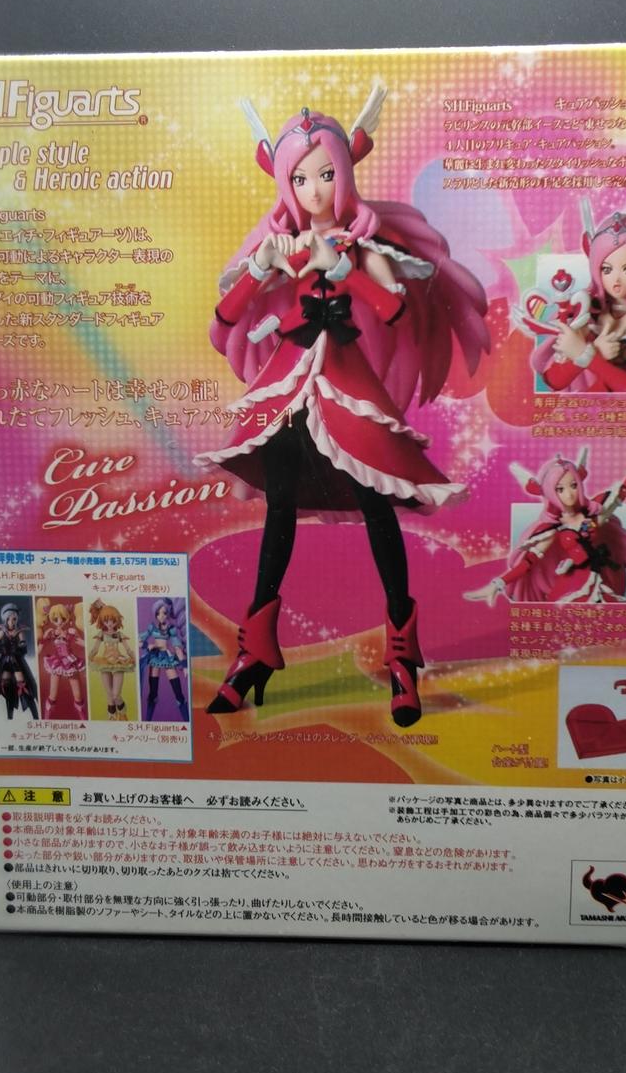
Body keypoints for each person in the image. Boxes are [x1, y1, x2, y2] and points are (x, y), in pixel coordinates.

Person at [194, 86, 489, 727]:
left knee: (376, 505)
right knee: (278, 507)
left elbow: (394, 309)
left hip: (346, 386)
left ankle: (403, 656)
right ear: (284, 183)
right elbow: (224, 320)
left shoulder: (361, 247)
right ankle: (256, 649)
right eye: (300, 178)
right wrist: (259, 268)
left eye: (325, 174)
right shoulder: (281, 246)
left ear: (345, 175)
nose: (314, 190)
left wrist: (344, 267)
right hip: (289, 385)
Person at [464, 422, 626, 606]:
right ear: (551, 492)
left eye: (573, 485)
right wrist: (497, 584)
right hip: (569, 587)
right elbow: (528, 562)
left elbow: (623, 492)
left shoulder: (593, 516)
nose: (569, 494)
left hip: (600, 582)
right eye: (560, 489)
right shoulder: (552, 529)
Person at [525, 198, 626, 393]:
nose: (616, 279)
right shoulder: (586, 312)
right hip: (584, 407)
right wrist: (593, 352)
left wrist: (587, 355)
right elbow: (554, 380)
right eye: (606, 269)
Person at [37, 599, 87, 719]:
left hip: (70, 661)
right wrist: (43, 640)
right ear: (51, 619)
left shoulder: (71, 631)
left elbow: (83, 643)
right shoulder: (51, 633)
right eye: (55, 619)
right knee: (52, 694)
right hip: (57, 662)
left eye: (63, 619)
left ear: (67, 618)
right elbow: (40, 647)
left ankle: (83, 718)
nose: (59, 622)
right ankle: (46, 719)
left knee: (78, 695)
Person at [139, 599, 188, 721]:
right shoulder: (152, 627)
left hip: (166, 657)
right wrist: (148, 645)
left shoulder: (171, 629)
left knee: (178, 693)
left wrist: (184, 665)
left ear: (167, 614)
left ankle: (187, 721)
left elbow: (177, 647)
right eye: (158, 613)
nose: (161, 616)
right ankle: (147, 722)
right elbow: (139, 641)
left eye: (164, 613)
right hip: (155, 657)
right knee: (153, 693)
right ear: (155, 614)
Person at [0, 602, 38, 719]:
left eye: (14, 619)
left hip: (16, 660)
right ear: (5, 619)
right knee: (5, 683)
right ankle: (9, 711)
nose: (11, 621)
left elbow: (23, 645)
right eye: (9, 619)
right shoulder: (2, 630)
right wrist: (0, 646)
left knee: (22, 683)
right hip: (6, 661)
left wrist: (20, 647)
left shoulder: (19, 631)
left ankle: (33, 711)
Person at [88, 600, 136, 719]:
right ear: (102, 621)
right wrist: (89, 657)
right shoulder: (101, 634)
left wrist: (133, 657)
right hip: (104, 662)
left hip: (118, 662)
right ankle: (112, 716)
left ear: (117, 620)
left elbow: (128, 649)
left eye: (112, 620)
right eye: (106, 620)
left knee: (116, 694)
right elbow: (95, 648)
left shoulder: (119, 634)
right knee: (109, 695)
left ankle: (123, 712)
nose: (109, 623)